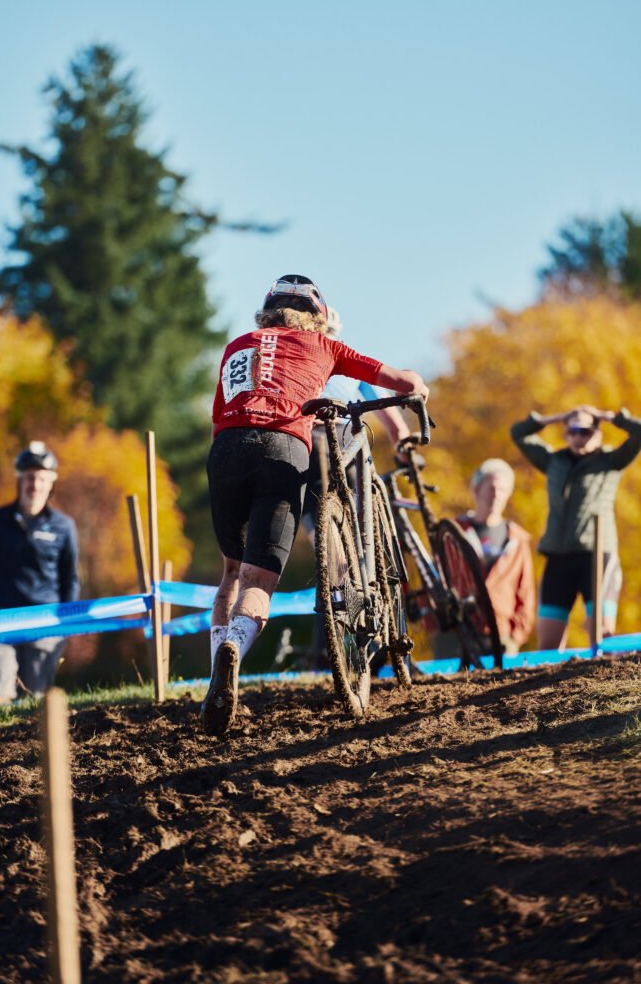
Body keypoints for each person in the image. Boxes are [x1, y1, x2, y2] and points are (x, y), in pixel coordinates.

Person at [202, 274, 429, 734]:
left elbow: (218, 413)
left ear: (267, 312)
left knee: (232, 571)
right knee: (260, 581)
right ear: (317, 318)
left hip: (226, 450)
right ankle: (236, 645)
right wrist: (418, 392)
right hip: (283, 449)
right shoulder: (324, 345)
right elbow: (401, 380)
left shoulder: (237, 345)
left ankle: (217, 676)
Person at [299, 304, 412, 669]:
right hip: (341, 444)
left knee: (334, 554)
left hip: (314, 448)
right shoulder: (343, 363)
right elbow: (396, 426)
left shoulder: (305, 360)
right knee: (356, 550)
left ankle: (329, 649)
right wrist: (405, 452)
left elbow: (394, 424)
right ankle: (358, 639)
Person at [511, 405, 641, 650]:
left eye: (586, 431)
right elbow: (518, 433)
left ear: (597, 433)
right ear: (566, 433)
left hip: (597, 556)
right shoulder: (554, 461)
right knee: (548, 645)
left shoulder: (610, 461)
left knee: (601, 638)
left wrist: (610, 417)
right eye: (573, 431)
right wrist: (559, 417)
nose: (579, 437)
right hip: (558, 556)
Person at [0, 441, 80, 702]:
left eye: (42, 478)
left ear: (51, 482)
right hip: (0, 622)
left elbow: (71, 580)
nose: (35, 485)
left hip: (45, 624)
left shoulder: (64, 526)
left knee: (35, 700)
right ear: (20, 480)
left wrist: (64, 624)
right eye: (30, 477)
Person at [454, 459, 535, 656]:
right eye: (491, 488)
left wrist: (516, 636)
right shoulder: (453, 533)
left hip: (503, 636)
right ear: (476, 490)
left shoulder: (517, 539)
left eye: (503, 490)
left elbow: (526, 590)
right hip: (458, 635)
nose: (497, 495)